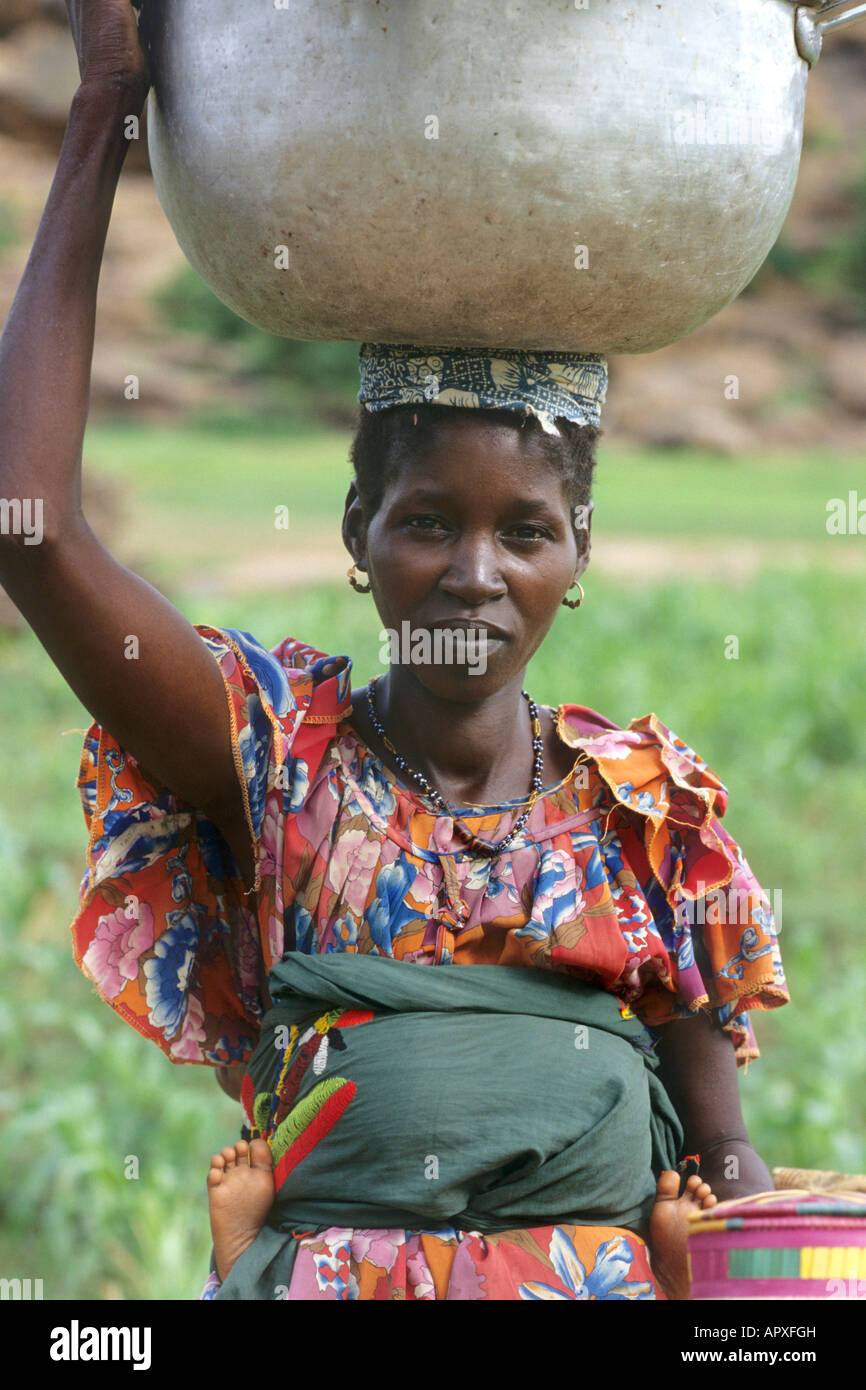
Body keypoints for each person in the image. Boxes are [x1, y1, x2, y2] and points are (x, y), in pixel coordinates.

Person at [0, 1, 788, 1302]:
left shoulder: (646, 812)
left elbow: (728, 1175)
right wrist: (103, 117)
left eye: (523, 530)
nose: (475, 572)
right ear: (358, 533)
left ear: (575, 555)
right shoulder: (268, 756)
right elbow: (27, 525)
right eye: (428, 520)